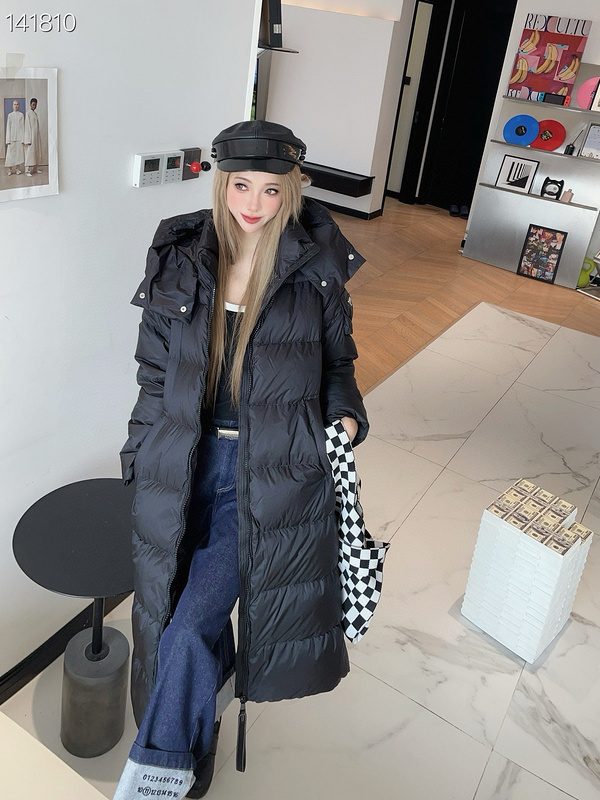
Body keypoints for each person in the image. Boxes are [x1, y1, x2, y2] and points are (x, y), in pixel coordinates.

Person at [114, 120, 368, 799]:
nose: (254, 203)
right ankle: (197, 741)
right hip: (181, 463)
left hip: (265, 473)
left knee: (190, 629)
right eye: (241, 186)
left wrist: (345, 415)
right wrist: (137, 456)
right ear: (221, 183)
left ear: (293, 190)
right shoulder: (179, 256)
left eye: (271, 189)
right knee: (165, 615)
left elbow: (337, 364)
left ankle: (155, 778)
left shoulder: (315, 267)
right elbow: (153, 377)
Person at [5, 99, 25, 176]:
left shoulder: (21, 115)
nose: (16, 106)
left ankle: (17, 169)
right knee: (10, 154)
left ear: (19, 106)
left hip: (19, 138)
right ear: (12, 106)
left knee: (18, 155)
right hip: (12, 138)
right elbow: (8, 128)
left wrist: (23, 139)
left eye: (17, 104)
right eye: (14, 104)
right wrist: (8, 140)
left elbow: (22, 127)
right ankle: (10, 170)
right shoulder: (10, 115)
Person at [24, 98, 43, 177]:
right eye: (33, 104)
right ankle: (27, 171)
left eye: (35, 105)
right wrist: (28, 140)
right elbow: (27, 127)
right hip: (31, 138)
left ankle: (35, 168)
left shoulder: (35, 114)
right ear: (30, 104)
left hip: (36, 137)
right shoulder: (28, 114)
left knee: (36, 153)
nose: (34, 106)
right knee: (29, 154)